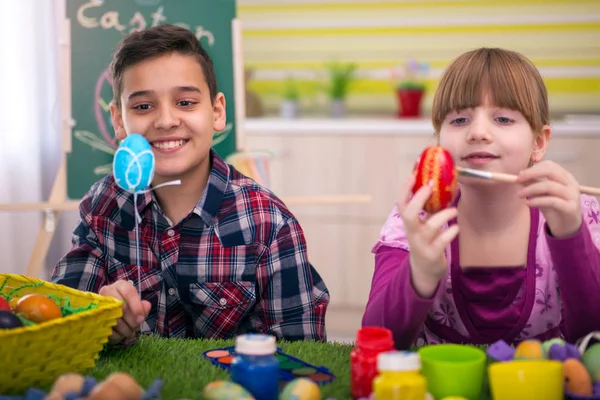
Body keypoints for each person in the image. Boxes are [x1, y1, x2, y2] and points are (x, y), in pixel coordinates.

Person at [52, 24, 329, 345]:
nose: (166, 120)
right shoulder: (103, 206)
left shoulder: (269, 224)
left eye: (185, 103)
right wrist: (96, 312)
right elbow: (61, 318)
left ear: (217, 112)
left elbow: (302, 354)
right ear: (118, 121)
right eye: (143, 106)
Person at [362, 47, 600, 349]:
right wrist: (420, 272)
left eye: (502, 119)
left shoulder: (575, 215)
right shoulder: (416, 218)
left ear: (538, 142)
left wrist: (570, 236)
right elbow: (376, 337)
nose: (478, 132)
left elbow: (593, 334)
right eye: (459, 120)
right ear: (439, 140)